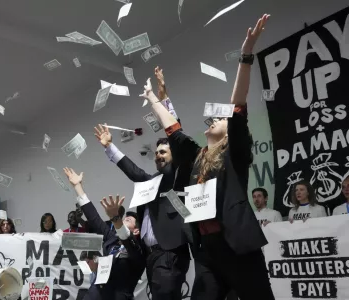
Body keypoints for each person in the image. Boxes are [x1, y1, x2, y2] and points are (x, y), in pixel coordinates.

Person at [139, 14, 274, 300]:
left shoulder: (233, 155)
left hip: (236, 246)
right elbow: (172, 128)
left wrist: (246, 54)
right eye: (213, 118)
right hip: (207, 252)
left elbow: (237, 104)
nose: (214, 119)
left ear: (229, 132)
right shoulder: (196, 156)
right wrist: (152, 98)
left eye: (221, 119)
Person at [93, 67, 190, 300]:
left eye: (163, 151)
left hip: (170, 253)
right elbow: (134, 171)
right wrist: (109, 147)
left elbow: (177, 138)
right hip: (152, 257)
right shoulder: (151, 182)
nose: (158, 155)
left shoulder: (176, 177)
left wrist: (162, 98)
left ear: (173, 155)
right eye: (156, 152)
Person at [63, 167, 145, 300]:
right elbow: (94, 217)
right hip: (95, 294)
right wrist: (78, 187)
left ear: (136, 230)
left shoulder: (139, 249)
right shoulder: (111, 238)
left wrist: (116, 219)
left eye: (128, 220)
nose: (124, 220)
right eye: (124, 218)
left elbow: (127, 239)